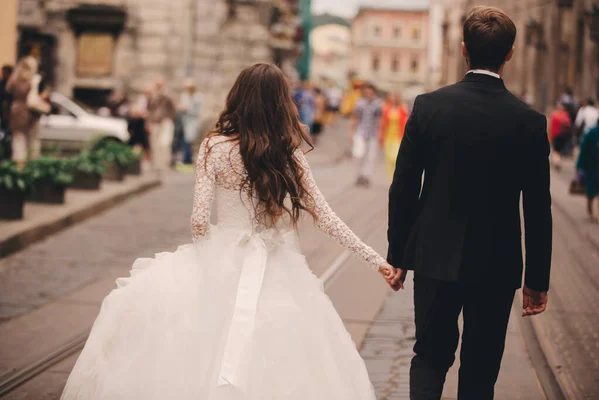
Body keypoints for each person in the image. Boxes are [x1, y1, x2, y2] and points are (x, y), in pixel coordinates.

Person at [60, 63, 396, 399]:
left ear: (238, 96)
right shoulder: (287, 151)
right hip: (275, 266)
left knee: (195, 349)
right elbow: (326, 217)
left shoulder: (213, 146)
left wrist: (207, 263)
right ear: (280, 102)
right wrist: (377, 261)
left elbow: (198, 221)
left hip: (220, 258)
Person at [386, 7, 552, 399]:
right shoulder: (528, 121)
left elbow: (404, 186)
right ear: (510, 54)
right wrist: (537, 280)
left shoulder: (429, 106)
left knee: (428, 356)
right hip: (496, 266)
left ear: (464, 50)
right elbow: (538, 208)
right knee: (480, 369)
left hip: (433, 258)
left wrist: (398, 255)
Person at [6, 56, 50, 167]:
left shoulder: (14, 79)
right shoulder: (35, 80)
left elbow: (7, 93)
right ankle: (31, 167)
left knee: (18, 140)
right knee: (32, 141)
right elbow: (40, 96)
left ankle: (19, 167)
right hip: (31, 112)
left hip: (15, 112)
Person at [351, 82, 382, 187]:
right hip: (361, 131)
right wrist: (351, 131)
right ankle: (359, 175)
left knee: (370, 156)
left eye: (370, 91)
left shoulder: (378, 103)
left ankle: (366, 176)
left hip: (373, 133)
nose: (368, 93)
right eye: (366, 91)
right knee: (359, 155)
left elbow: (379, 119)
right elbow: (355, 117)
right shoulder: (359, 103)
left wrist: (380, 132)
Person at [147, 76, 175, 171]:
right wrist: (148, 121)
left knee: (164, 143)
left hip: (164, 121)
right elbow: (149, 109)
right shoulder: (152, 95)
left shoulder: (167, 95)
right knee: (154, 143)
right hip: (154, 121)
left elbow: (172, 108)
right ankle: (155, 163)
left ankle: (164, 163)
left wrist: (169, 119)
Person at [380, 92, 408, 180]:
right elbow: (383, 123)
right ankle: (391, 180)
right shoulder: (386, 108)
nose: (393, 98)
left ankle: (397, 178)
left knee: (395, 158)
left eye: (395, 96)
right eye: (391, 96)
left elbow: (406, 122)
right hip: (388, 137)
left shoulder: (402, 109)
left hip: (398, 137)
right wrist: (381, 135)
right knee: (388, 159)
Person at [576, 117, 599, 222]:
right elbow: (583, 149)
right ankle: (590, 208)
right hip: (592, 165)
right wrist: (579, 166)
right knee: (591, 190)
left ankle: (598, 213)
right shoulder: (591, 132)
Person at [178, 78, 202, 164]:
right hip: (184, 122)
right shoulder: (184, 96)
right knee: (184, 141)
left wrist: (186, 109)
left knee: (189, 141)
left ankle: (187, 160)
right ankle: (186, 160)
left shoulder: (197, 97)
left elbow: (196, 111)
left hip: (192, 122)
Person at [549, 102, 572, 169]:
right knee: (559, 151)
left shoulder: (554, 115)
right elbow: (569, 125)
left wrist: (550, 136)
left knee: (556, 151)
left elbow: (551, 127)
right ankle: (558, 161)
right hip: (563, 135)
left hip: (555, 135)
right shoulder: (566, 115)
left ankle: (557, 162)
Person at [0, 65, 14, 160]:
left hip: (11, 114)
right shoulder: (2, 83)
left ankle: (8, 154)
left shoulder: (12, 84)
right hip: (3, 114)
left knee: (9, 135)